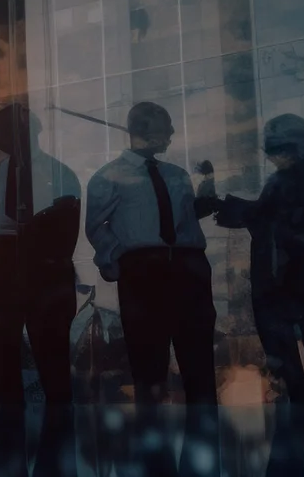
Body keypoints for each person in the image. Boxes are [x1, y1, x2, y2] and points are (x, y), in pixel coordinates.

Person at [213, 114, 304, 404]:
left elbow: (280, 218)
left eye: (278, 150)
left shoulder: (302, 180)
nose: (273, 157)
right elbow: (273, 216)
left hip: (299, 277)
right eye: (272, 151)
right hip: (300, 277)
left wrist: (232, 209)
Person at [83, 101, 217, 404]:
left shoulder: (177, 174)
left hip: (188, 268)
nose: (171, 133)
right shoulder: (109, 177)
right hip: (144, 271)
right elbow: (96, 226)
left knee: (198, 359)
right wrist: (118, 261)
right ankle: (153, 437)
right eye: (165, 126)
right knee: (148, 360)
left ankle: (204, 428)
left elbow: (184, 218)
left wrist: (206, 199)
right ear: (143, 130)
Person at [0, 104, 82, 405]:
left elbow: (65, 237)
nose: (1, 141)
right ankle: (9, 434)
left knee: (54, 371)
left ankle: (56, 436)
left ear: (32, 133)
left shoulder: (59, 174)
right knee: (1, 370)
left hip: (43, 273)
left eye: (7, 133)